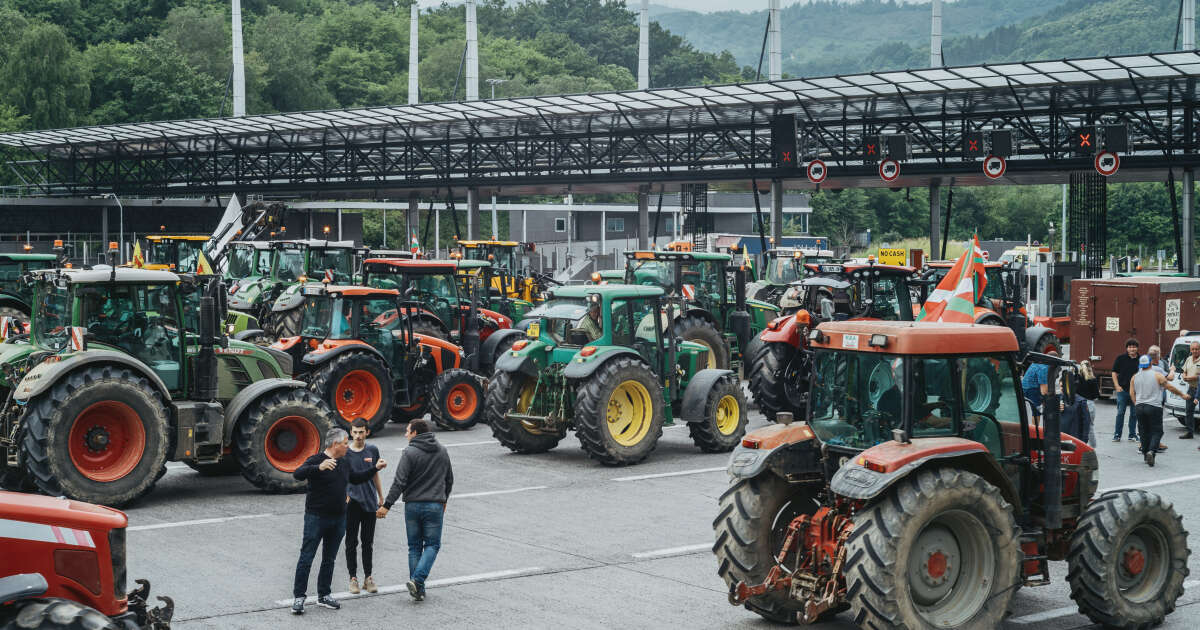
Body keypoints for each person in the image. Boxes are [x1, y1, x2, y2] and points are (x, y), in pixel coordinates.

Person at [291, 428, 387, 615]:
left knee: (329, 558)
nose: (347, 446)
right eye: (345, 443)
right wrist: (318, 468)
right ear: (335, 444)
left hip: (338, 518)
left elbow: (356, 478)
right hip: (316, 518)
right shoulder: (317, 460)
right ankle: (299, 597)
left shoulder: (344, 462)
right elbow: (298, 473)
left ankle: (324, 595)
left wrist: (375, 468)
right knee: (307, 557)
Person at [377, 419, 454, 602]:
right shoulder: (442, 451)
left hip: (412, 506)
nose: (405, 434)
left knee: (414, 547)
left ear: (415, 433)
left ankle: (417, 584)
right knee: (433, 545)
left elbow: (399, 482)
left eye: (407, 431)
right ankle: (417, 585)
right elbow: (449, 480)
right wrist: (444, 500)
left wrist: (386, 505)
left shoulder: (409, 452)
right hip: (435, 505)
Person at [345, 419, 383, 596]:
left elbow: (375, 474)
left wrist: (381, 496)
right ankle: (353, 578)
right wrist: (343, 496)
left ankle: (368, 578)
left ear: (367, 432)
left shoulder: (372, 450)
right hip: (352, 503)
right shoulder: (345, 453)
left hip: (369, 502)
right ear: (351, 433)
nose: (358, 436)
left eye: (361, 432)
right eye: (355, 432)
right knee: (351, 542)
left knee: (368, 543)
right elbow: (342, 477)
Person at [1131, 355, 1192, 467]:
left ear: (1140, 364)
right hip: (1154, 407)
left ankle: (1145, 453)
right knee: (1157, 431)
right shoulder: (1157, 375)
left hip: (1139, 406)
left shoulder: (1135, 377)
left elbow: (1132, 393)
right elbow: (1170, 387)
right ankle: (1152, 451)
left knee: (1143, 431)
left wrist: (1137, 404)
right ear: (1150, 364)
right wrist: (1182, 394)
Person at [1112, 338, 1141, 442]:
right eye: (1129, 347)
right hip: (1122, 390)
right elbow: (1114, 372)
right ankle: (1117, 435)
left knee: (1134, 414)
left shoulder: (1141, 359)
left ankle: (1132, 435)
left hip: (1136, 392)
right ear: (1127, 348)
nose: (1132, 349)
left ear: (1137, 348)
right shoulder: (1121, 358)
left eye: (1134, 347)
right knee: (1120, 413)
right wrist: (1117, 386)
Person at [1022, 350, 1057, 421]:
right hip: (1031, 389)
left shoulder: (1038, 361)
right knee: (1037, 411)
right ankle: (1036, 429)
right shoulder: (1044, 368)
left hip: (1025, 386)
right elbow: (1043, 391)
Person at [1179, 342, 1200, 440]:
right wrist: (1184, 376)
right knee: (1188, 411)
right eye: (1193, 349)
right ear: (1190, 350)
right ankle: (1190, 432)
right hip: (1191, 389)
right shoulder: (1188, 359)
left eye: (1197, 349)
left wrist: (1189, 378)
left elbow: (1198, 376)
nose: (1195, 351)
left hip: (1199, 388)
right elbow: (1184, 371)